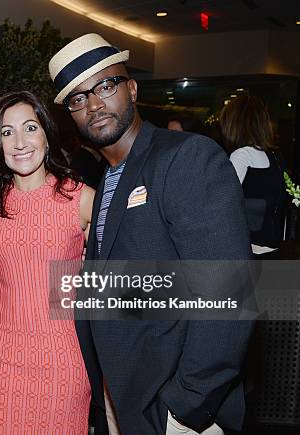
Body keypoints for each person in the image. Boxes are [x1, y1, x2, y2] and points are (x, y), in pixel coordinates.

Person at [49, 34, 253, 435]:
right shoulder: (108, 179)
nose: (93, 105)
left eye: (105, 86)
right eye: (77, 98)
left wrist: (185, 407)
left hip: (178, 411)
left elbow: (229, 290)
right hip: (127, 402)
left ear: (133, 88)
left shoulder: (186, 157)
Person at [0, 91, 94, 434]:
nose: (20, 142)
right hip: (1, 356)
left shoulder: (81, 199)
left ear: (46, 134)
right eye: (7, 132)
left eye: (30, 127)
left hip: (63, 356)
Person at [220, 95, 285, 257]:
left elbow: (222, 202)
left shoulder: (242, 155)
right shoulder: (271, 156)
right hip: (271, 245)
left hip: (250, 249)